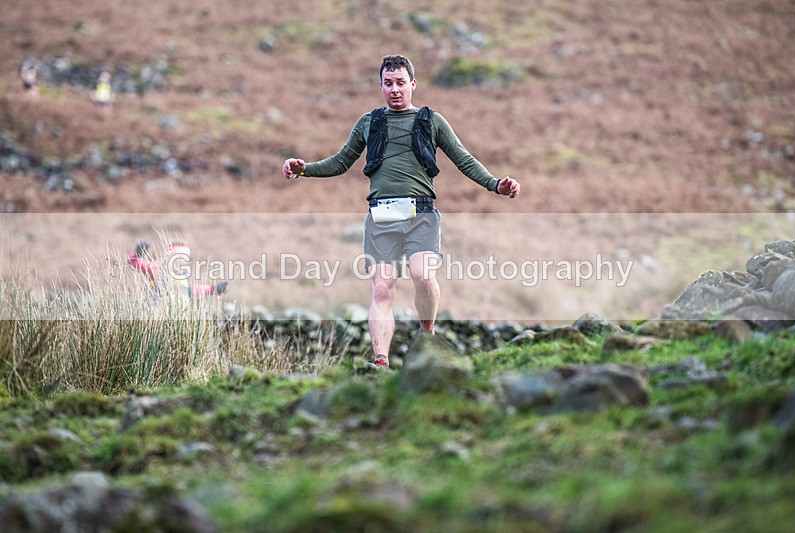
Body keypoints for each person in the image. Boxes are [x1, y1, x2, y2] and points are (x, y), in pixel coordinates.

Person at [282, 54, 520, 370]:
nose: (394, 89)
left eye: (400, 83)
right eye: (388, 83)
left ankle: (427, 334)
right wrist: (304, 169)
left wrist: (495, 184)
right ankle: (380, 361)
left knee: (423, 276)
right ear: (381, 86)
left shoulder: (432, 121)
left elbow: (464, 160)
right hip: (381, 217)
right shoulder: (368, 123)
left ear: (413, 84)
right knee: (382, 288)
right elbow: (340, 162)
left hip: (422, 215)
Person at [127, 240, 227, 300]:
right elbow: (133, 262)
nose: (184, 261)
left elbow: (192, 290)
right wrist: (137, 254)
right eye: (180, 257)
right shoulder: (156, 270)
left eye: (186, 257)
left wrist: (213, 289)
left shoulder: (184, 277)